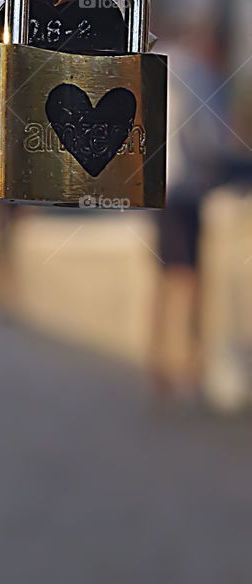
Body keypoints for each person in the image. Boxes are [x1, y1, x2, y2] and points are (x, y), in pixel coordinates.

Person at [148, 23, 230, 401]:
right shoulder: (199, 71)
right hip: (185, 188)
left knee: (165, 276)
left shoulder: (162, 63)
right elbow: (209, 139)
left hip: (157, 182)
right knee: (188, 279)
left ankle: (157, 360)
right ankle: (188, 367)